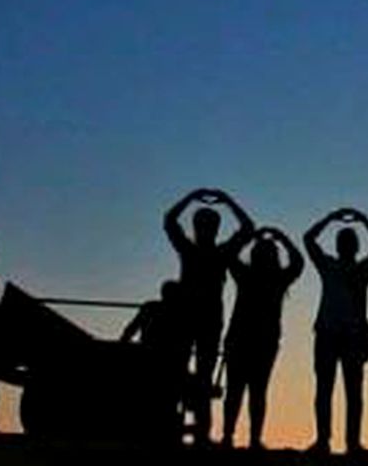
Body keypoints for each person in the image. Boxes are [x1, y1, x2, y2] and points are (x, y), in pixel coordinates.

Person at [163, 188, 254, 443]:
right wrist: (222, 201)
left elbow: (247, 228)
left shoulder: (206, 252)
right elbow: (247, 228)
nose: (205, 229)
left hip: (204, 320)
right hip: (196, 318)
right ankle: (180, 428)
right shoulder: (202, 251)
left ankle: (200, 431)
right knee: (186, 373)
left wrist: (196, 198)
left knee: (200, 375)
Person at [304, 207, 368, 456]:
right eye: (344, 241)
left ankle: (351, 443)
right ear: (340, 246)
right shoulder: (329, 266)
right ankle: (323, 441)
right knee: (326, 390)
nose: (346, 245)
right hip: (329, 334)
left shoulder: (362, 270)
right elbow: (309, 239)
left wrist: (362, 219)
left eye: (349, 242)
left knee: (352, 392)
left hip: (351, 335)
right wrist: (333, 218)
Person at [221, 226, 302, 450]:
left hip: (249, 340)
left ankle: (236, 437)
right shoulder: (275, 279)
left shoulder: (251, 276)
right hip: (254, 340)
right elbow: (298, 262)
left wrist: (253, 238)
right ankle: (245, 438)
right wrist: (282, 237)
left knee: (242, 390)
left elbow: (230, 255)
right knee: (251, 391)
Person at [121, 280, 192, 441]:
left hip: (151, 362)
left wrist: (122, 348)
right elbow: (185, 342)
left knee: (155, 399)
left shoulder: (150, 308)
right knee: (167, 400)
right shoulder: (180, 313)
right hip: (166, 364)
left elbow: (130, 330)